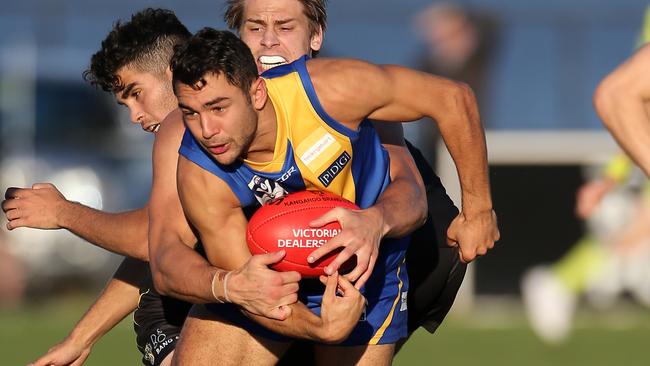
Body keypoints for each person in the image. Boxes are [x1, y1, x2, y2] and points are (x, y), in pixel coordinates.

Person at [8, 0, 497, 363]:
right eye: (254, 28)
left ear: (316, 36)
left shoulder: (341, 94)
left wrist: (473, 212)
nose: (267, 42)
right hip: (265, 287)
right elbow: (162, 249)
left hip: (372, 275)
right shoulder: (191, 147)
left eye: (283, 27)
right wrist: (232, 287)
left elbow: (411, 190)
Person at [169, 28, 497, 365]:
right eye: (190, 113)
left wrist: (478, 211)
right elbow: (254, 292)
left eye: (218, 108)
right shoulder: (199, 173)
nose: (207, 130)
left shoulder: (328, 90)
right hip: (277, 274)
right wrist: (320, 328)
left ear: (257, 93)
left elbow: (452, 97)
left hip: (368, 271)